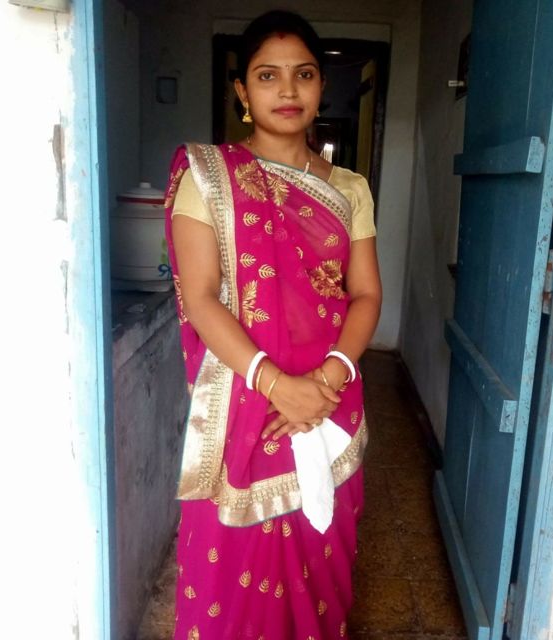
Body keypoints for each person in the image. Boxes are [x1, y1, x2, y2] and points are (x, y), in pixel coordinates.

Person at [164, 10, 382, 639]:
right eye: (267, 75)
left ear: (321, 86)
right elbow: (201, 298)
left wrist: (327, 380)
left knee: (321, 557)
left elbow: (365, 293)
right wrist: (276, 385)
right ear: (242, 90)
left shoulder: (351, 188)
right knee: (234, 573)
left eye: (303, 74)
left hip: (331, 398)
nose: (287, 90)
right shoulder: (209, 178)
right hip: (248, 400)